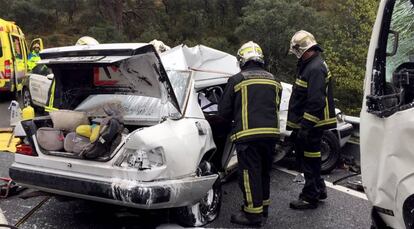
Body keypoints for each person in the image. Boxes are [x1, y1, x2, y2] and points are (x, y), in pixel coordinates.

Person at [218, 41, 282, 227]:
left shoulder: (237, 80)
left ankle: (252, 215)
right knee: (263, 172)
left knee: (248, 173)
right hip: (271, 134)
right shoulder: (274, 81)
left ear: (242, 59)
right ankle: (263, 208)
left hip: (248, 136)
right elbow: (274, 107)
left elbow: (223, 112)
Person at [287, 30, 336, 209]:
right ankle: (319, 189)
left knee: (308, 160)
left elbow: (315, 101)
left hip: (313, 123)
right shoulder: (312, 64)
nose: (296, 56)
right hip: (313, 123)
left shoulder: (314, 68)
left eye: (296, 52)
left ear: (302, 50)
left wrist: (305, 127)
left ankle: (309, 197)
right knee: (313, 159)